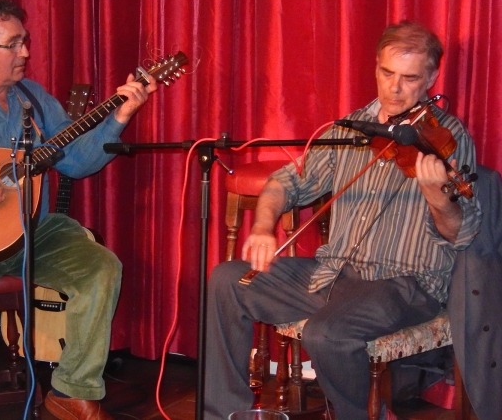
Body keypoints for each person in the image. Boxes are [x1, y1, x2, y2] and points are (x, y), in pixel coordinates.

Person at [204, 20, 482, 419]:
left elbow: (461, 232)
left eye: (409, 78)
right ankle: (224, 413)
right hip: (334, 274)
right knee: (228, 280)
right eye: (387, 73)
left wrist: (439, 198)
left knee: (327, 334)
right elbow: (286, 182)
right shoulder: (349, 129)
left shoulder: (447, 138)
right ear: (376, 67)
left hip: (403, 283)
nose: (395, 88)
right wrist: (264, 227)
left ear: (431, 78)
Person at [0, 0, 157, 420]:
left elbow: (77, 161)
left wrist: (120, 115)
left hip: (32, 230)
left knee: (101, 267)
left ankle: (72, 391)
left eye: (25, 42)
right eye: (14, 44)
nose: (26, 53)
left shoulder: (32, 99)